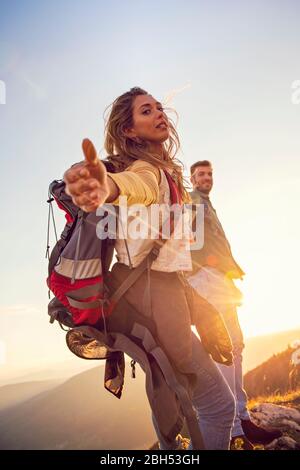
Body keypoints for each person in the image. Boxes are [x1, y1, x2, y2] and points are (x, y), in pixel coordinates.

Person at [63, 87, 235, 450]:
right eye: (146, 111)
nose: (159, 113)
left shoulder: (166, 173)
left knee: (171, 395)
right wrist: (103, 185)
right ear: (129, 131)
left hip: (144, 297)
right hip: (154, 301)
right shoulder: (147, 172)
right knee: (220, 405)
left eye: (159, 107)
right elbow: (129, 186)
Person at [187, 160, 282, 449]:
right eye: (201, 174)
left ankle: (241, 418)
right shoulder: (192, 201)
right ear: (192, 179)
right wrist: (197, 269)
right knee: (225, 349)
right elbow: (184, 235)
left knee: (236, 346)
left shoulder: (206, 203)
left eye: (209, 174)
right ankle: (233, 424)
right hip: (205, 278)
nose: (207, 178)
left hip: (218, 278)